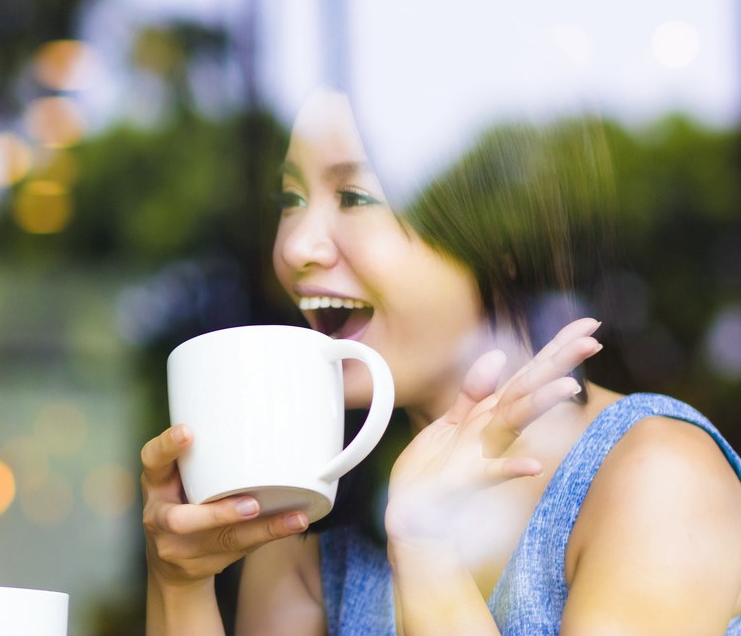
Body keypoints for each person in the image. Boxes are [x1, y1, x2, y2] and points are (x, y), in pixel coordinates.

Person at [140, 88, 741, 634]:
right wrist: (181, 583)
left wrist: (424, 549)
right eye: (290, 197)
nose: (295, 246)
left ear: (499, 237)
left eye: (354, 196)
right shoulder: (308, 516)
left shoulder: (657, 478)